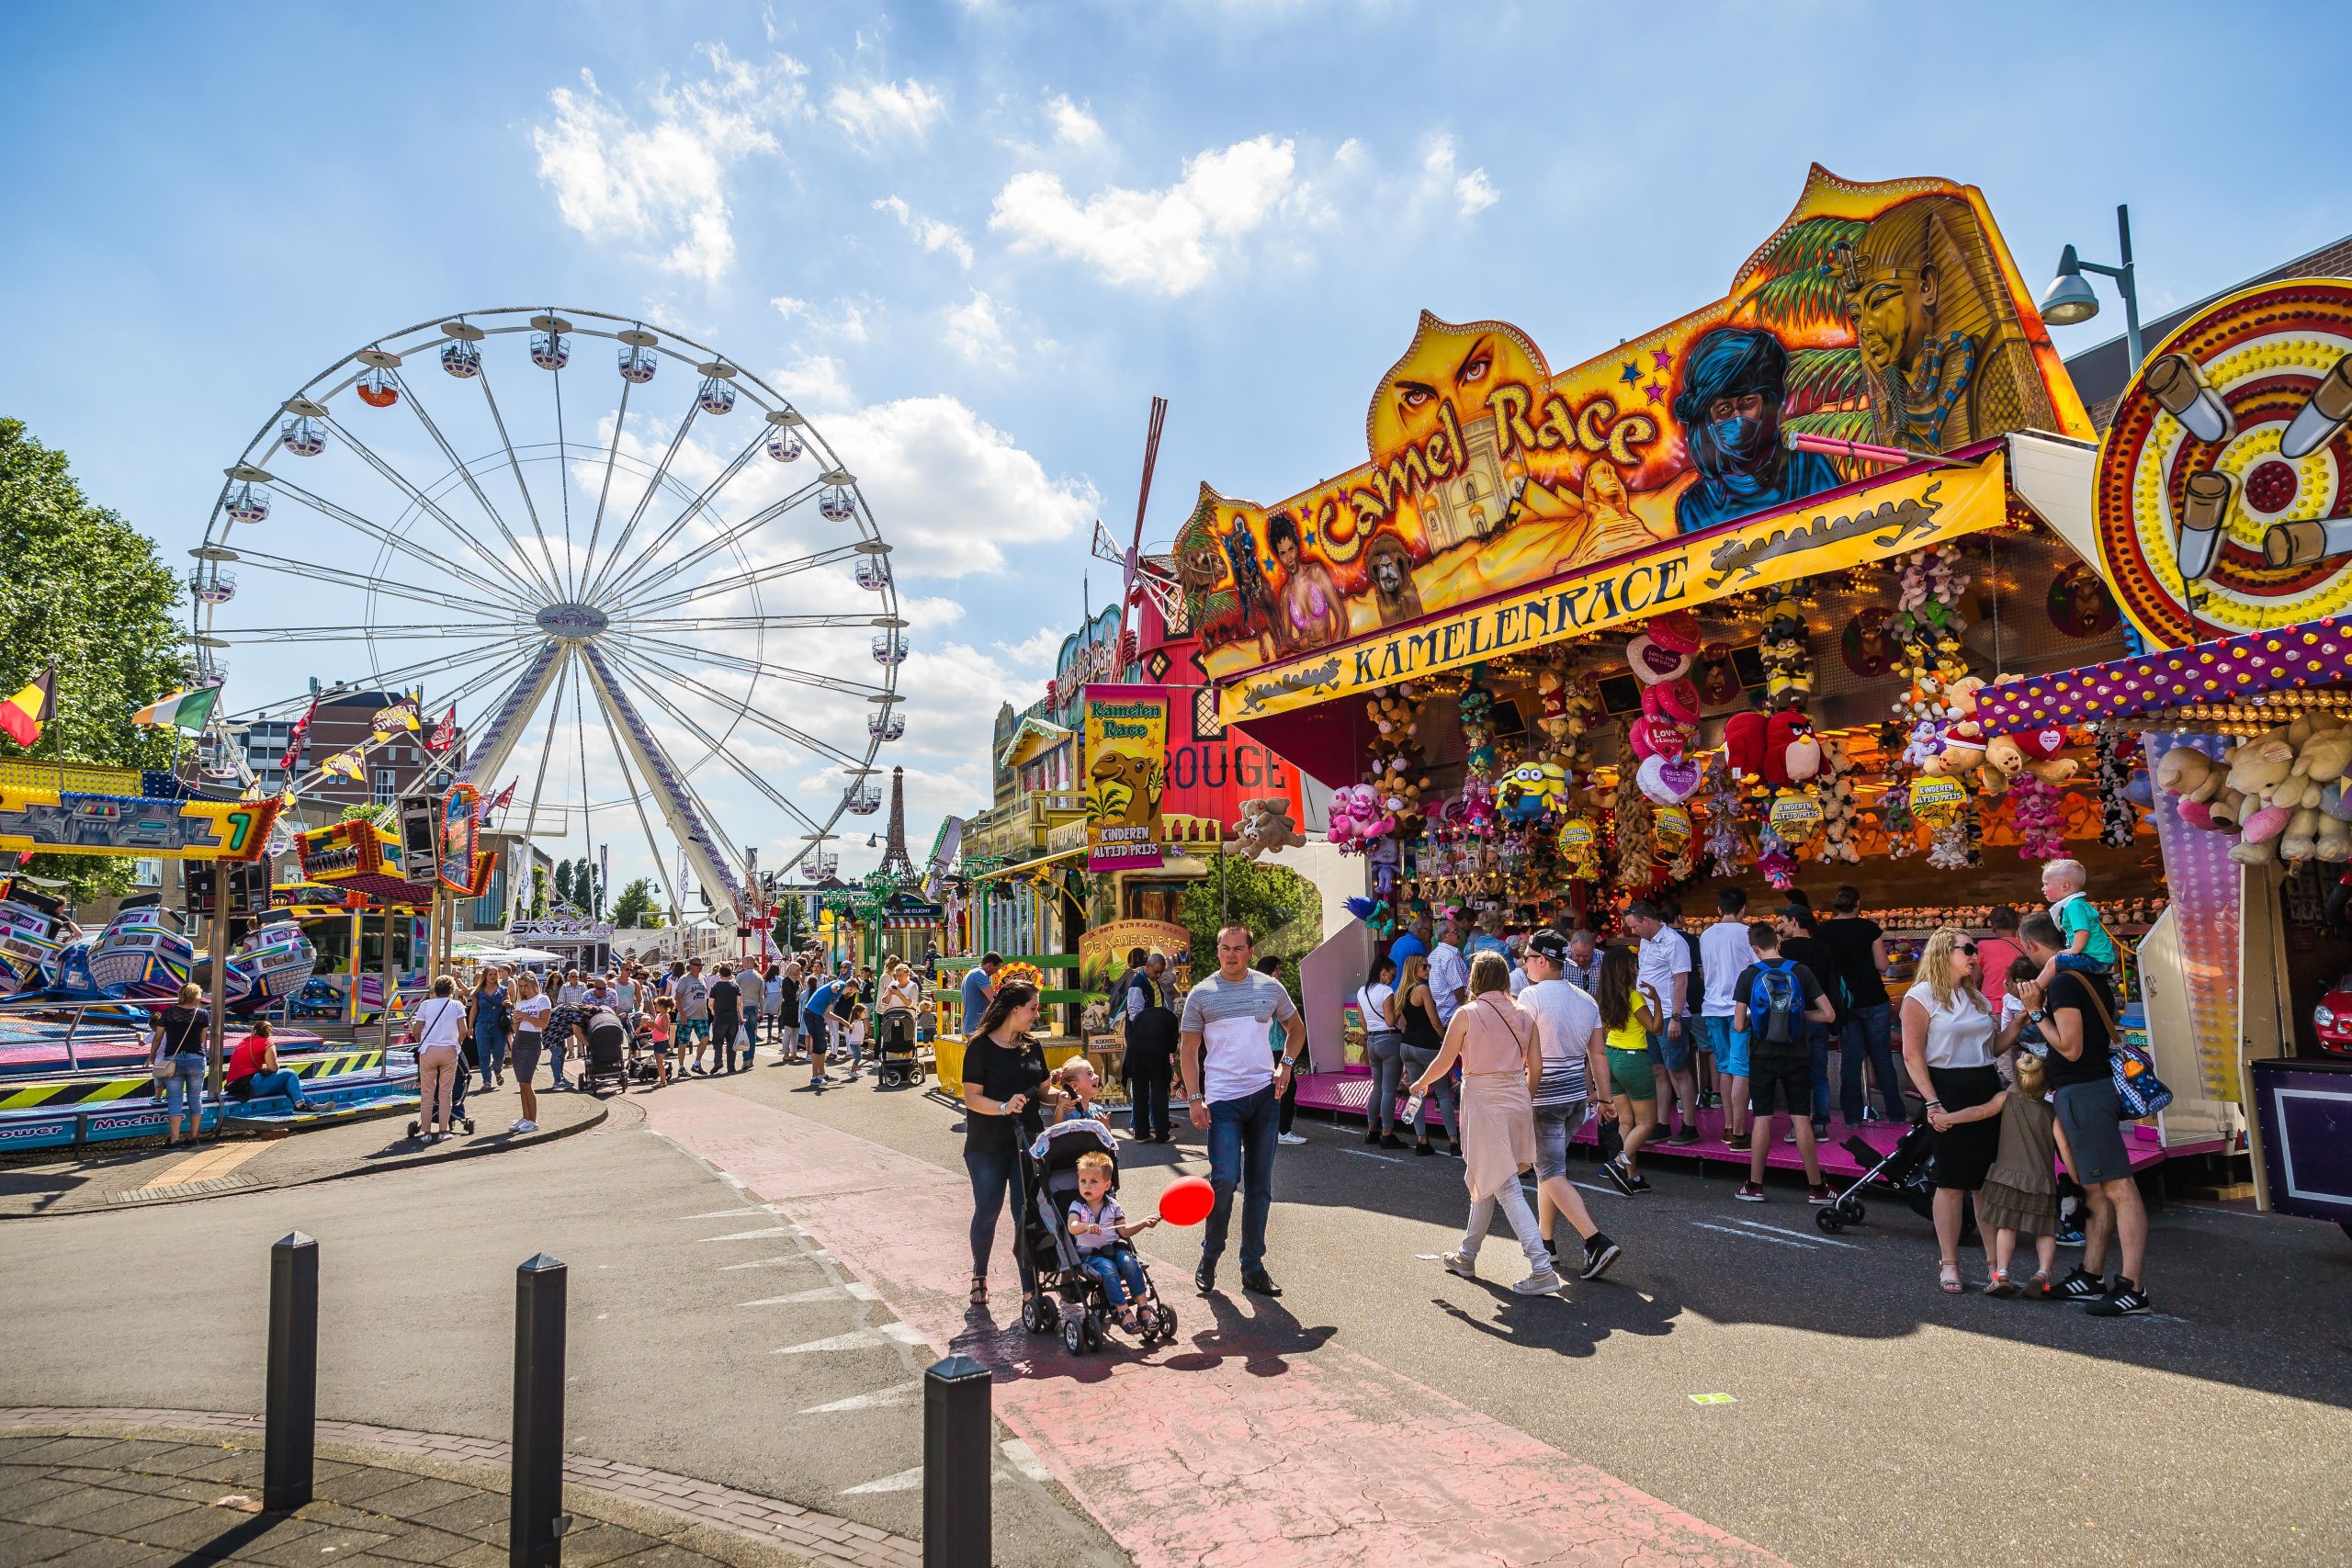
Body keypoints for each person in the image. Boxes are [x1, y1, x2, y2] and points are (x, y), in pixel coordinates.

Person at [2014, 912, 2150, 1315]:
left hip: (2085, 1092)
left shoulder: (2064, 983)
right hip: (2085, 1091)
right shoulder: (2087, 978)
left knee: (2119, 1188)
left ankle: (2133, 1287)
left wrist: (2037, 1012)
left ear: (2033, 946)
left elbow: (2069, 1047)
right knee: (2095, 1189)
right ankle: (2091, 1276)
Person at [1412, 952, 1562, 1294]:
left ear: (1475, 979)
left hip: (1482, 1100)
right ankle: (1466, 1255)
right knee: (1485, 1176)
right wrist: (1523, 1096)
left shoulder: (1467, 1014)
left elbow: (1444, 1061)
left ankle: (1541, 1267)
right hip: (1517, 1097)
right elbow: (1535, 1068)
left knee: (1504, 1184)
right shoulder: (1525, 1014)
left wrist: (1421, 1083)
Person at [1178, 924, 1300, 1296]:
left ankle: (1253, 1266)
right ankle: (1210, 1255)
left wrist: (1287, 1064)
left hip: (1264, 1097)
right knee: (1225, 1180)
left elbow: (1296, 1028)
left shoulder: (1270, 988)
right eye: (1224, 948)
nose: (1230, 955)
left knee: (1260, 1186)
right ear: (1217, 952)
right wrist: (1195, 1098)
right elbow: (1187, 1051)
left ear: (1249, 951)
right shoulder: (1201, 994)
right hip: (1223, 1101)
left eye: (1238, 948)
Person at [1899, 928, 2005, 1292]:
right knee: (1951, 1180)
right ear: (1945, 951)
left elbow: (1992, 1047)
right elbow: (1912, 1053)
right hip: (1946, 1087)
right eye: (1968, 949)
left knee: (1986, 1181)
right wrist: (1931, 1100)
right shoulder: (1921, 996)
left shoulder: (1975, 996)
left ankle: (1996, 1266)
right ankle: (1949, 1264)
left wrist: (2021, 1022)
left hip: (1983, 1082)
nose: (1975, 955)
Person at [1517, 931, 1622, 1280]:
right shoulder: (1586, 1000)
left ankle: (1596, 1241)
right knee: (1552, 1170)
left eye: (1528, 957)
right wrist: (1605, 1099)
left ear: (1543, 961)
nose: (1525, 963)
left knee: (1550, 1172)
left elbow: (1521, 1052)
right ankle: (1547, 1245)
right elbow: (1598, 1054)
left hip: (1543, 1096)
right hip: (1576, 1098)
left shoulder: (1529, 997)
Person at [1669, 324, 1841, 533]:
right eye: (1724, 409)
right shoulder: (1696, 505)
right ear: (1708, 422)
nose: (1737, 418)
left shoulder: (1808, 466)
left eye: (1747, 402)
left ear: (1767, 401)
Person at [1731, 923, 1837, 1205]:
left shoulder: (1749, 975)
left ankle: (1755, 1185)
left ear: (1754, 948)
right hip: (1797, 1053)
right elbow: (1828, 1015)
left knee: (1763, 1117)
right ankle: (1816, 1187)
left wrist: (1762, 1020)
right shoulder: (1801, 971)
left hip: (1762, 1055)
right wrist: (1798, 1018)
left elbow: (1739, 1024)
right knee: (1801, 1117)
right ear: (1778, 941)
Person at [960, 980, 1049, 1308]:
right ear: (1015, 1010)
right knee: (988, 1211)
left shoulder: (1033, 1045)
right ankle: (979, 1274)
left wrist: (1062, 1098)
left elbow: (1043, 1090)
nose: (1037, 1014)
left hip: (1027, 1141)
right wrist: (1002, 1107)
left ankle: (1030, 1289)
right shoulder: (980, 1046)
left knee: (1025, 1212)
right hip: (987, 1144)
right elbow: (972, 1098)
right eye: (1033, 1008)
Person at [1979, 1042, 2060, 1299]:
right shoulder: (2052, 1112)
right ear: (2048, 1085)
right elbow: (2063, 1147)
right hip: (2042, 1181)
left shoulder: (2006, 1100)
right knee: (2045, 1230)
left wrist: (1947, 1118)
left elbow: (1980, 1112)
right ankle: (2042, 1274)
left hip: (2008, 1177)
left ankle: (2001, 1274)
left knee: (2006, 1227)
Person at [1821, 886, 1905, 1126]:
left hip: (1844, 1004)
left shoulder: (1824, 931)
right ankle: (1897, 1114)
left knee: (1850, 1060)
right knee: (1882, 1058)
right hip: (1873, 1000)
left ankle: (1852, 1117)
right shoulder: (1869, 928)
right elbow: (1881, 965)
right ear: (1857, 903)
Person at [1625, 900, 1698, 1145]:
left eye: (1634, 927)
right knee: (1658, 1070)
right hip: (1651, 1014)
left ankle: (1689, 1125)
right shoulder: (1646, 941)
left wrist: (1676, 1017)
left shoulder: (1674, 942)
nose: (1632, 932)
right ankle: (1662, 1123)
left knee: (1677, 1070)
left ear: (1646, 920)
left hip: (1669, 1014)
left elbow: (1682, 982)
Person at [1064, 1149, 1161, 1332]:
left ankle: (1144, 1308)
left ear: (1107, 1184)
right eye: (1083, 1181)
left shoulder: (1113, 1205)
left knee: (1131, 1263)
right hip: (1090, 1255)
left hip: (1114, 1249)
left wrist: (1143, 1223)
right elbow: (1072, 1226)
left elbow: (1123, 1231)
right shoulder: (1077, 1206)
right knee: (1108, 1270)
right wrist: (1085, 1226)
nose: (1087, 1186)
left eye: (1094, 1181)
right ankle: (1123, 1311)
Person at [1695, 887, 1756, 1149]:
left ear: (1719, 910)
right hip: (1740, 1008)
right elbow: (1759, 967)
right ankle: (1740, 1133)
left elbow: (1705, 972)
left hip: (1712, 1007)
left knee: (1724, 1067)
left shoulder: (1705, 935)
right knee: (1741, 1067)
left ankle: (1729, 1127)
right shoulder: (1747, 933)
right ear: (1743, 909)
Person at [1596, 944, 1658, 1195]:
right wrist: (1658, 1001)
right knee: (1647, 1123)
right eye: (1634, 963)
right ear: (1627, 969)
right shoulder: (1634, 997)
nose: (1637, 967)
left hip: (1611, 1056)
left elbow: (1604, 1031)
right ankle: (1619, 1163)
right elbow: (1655, 1028)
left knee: (1627, 1121)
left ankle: (1632, 1177)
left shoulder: (1603, 996)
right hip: (1633, 1059)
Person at [1774, 905, 1838, 1137]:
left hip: (1792, 1020)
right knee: (1819, 1074)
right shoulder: (1823, 948)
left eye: (1783, 920)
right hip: (1819, 1016)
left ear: (1793, 921)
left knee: (1796, 1076)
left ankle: (1797, 1127)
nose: (1781, 925)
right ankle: (1820, 1125)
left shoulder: (1783, 950)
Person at [1394, 953, 1457, 1156]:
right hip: (1427, 1046)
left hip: (1407, 1046)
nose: (1428, 969)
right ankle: (1453, 1141)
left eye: (1428, 966)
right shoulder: (1423, 990)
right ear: (1414, 969)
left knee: (1417, 1092)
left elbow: (1397, 1020)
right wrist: (1449, 1041)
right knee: (1443, 1093)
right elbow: (1436, 1022)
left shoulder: (1402, 991)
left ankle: (1422, 1140)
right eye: (1424, 967)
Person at [2035, 858, 2120, 989]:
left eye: (2046, 884)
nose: (2043, 888)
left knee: (2053, 962)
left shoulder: (2074, 906)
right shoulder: (2074, 904)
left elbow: (2082, 931)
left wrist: (2074, 950)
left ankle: (2034, 990)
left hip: (2096, 960)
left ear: (2065, 886)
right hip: (2093, 958)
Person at [1122, 952, 1179, 1143]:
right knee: (1153, 1091)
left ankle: (1145, 1132)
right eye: (1156, 972)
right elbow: (1134, 1014)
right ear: (1148, 966)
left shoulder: (1153, 982)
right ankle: (1149, 1132)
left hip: (1150, 1044)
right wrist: (1155, 1024)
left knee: (1148, 1091)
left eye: (1160, 973)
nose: (1158, 976)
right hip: (1145, 1044)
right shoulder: (1137, 985)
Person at [148, 982, 213, 1146]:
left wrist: (152, 1055)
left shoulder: (169, 1012)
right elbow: (202, 1039)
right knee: (195, 1098)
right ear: (196, 996)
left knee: (175, 1099)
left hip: (173, 1059)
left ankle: (174, 1140)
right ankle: (193, 1138)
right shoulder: (203, 1014)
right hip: (196, 1058)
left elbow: (158, 1037)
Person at [410, 976, 469, 1143]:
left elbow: (417, 1030)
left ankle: (427, 1132)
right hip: (449, 1051)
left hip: (428, 1051)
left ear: (435, 989)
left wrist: (422, 1043)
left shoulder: (425, 1005)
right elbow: (463, 1030)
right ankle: (443, 1131)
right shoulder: (457, 1005)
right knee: (445, 1093)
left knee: (427, 1094)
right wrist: (457, 1045)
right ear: (451, 990)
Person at [1257, 955, 1308, 1146]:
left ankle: (1269, 1129)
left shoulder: (1257, 991)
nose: (1280, 973)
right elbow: (1287, 1021)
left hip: (1264, 1048)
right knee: (1287, 1087)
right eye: (1277, 969)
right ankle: (1283, 1131)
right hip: (1278, 1047)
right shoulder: (1272, 992)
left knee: (1269, 1090)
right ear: (1268, 972)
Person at [1358, 955, 1405, 1148]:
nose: (1392, 980)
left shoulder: (1362, 991)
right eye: (1392, 975)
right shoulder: (1386, 991)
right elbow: (1390, 1021)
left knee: (1377, 1087)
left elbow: (1362, 1022)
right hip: (1389, 1040)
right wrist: (1400, 1008)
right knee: (1389, 1090)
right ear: (1383, 972)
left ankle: (1371, 1131)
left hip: (1372, 1040)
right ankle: (1387, 1133)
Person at [509, 973, 548, 1133]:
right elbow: (515, 1029)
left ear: (533, 984)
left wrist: (525, 1016)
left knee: (526, 1082)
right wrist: (516, 1021)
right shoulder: (521, 1002)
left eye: (526, 985)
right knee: (522, 1083)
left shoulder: (542, 999)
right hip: (519, 1040)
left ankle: (533, 1120)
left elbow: (544, 1023)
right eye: (521, 986)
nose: (524, 989)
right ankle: (526, 1117)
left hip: (532, 1041)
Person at [1977, 907, 2027, 1010]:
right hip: (2021, 1007)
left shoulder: (1984, 946)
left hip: (1991, 1007)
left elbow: (1976, 980)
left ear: (1993, 926)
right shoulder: (2028, 947)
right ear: (2018, 924)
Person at [469, 968, 510, 1093]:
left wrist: (508, 1003)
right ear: (485, 976)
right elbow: (474, 1009)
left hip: (499, 1026)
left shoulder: (503, 990)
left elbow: (509, 1004)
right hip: (482, 1025)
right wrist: (470, 1026)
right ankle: (487, 1081)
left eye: (495, 974)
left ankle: (497, 1071)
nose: (493, 977)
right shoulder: (478, 992)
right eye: (490, 974)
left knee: (499, 1053)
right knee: (484, 1054)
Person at [1427, 917, 1470, 1032]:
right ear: (1444, 936)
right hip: (1452, 1016)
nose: (1459, 934)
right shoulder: (1450, 957)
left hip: (1441, 1014)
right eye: (1455, 931)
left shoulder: (1433, 955)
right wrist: (1467, 1011)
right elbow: (1458, 988)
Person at [801, 970, 842, 1090]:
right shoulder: (840, 986)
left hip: (816, 1016)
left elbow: (827, 1012)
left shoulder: (832, 991)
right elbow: (837, 985)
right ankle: (815, 1076)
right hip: (813, 1016)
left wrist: (843, 1021)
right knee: (819, 1046)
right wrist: (835, 988)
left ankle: (821, 1073)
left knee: (823, 1045)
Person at [674, 958, 712, 1074]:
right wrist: (682, 1014)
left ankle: (697, 1063)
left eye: (701, 965)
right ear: (690, 966)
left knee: (705, 1038)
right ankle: (681, 1067)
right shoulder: (685, 979)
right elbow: (677, 998)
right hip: (687, 1015)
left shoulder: (703, 978)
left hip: (701, 1015)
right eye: (697, 965)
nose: (700, 967)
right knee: (683, 1042)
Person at [709, 964, 743, 1074]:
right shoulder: (736, 986)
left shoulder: (715, 986)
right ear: (730, 974)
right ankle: (731, 1067)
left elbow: (710, 1003)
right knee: (731, 1042)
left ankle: (718, 1061)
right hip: (733, 1017)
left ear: (720, 974)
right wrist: (741, 1017)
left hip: (720, 1017)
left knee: (718, 1041)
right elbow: (739, 1003)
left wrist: (713, 1011)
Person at [960, 953, 1001, 1035]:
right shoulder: (980, 974)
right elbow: (993, 998)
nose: (996, 972)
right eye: (996, 968)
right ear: (990, 965)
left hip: (970, 1025)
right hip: (978, 1026)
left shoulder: (971, 973)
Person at [1559, 928, 1601, 996]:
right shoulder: (1560, 958)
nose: (1581, 959)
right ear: (1570, 946)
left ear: (1594, 950)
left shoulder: (1603, 960)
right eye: (1577, 955)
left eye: (1586, 956)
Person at [775, 962, 802, 1062]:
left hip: (796, 1008)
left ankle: (794, 1052)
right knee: (788, 1032)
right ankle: (786, 1053)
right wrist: (797, 983)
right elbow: (790, 995)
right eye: (797, 969)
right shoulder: (786, 981)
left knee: (795, 1032)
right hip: (788, 1008)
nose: (799, 972)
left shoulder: (797, 981)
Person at [647, 996, 675, 1086]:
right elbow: (656, 1027)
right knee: (658, 1062)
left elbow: (664, 1030)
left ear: (662, 1006)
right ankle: (662, 1080)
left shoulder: (665, 1016)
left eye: (657, 1005)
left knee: (660, 1062)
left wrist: (654, 1024)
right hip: (657, 1040)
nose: (655, 1006)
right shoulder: (659, 1015)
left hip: (662, 1041)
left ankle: (662, 1081)